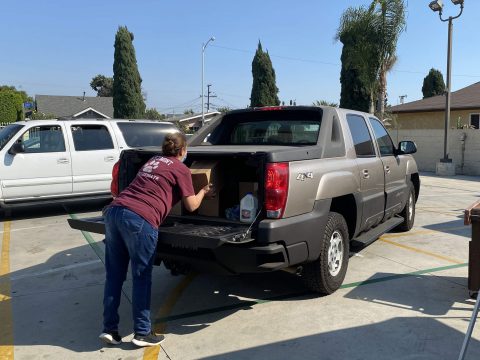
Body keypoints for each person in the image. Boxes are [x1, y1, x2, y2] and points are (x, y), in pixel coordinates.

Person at [99, 132, 213, 347]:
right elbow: (192, 206)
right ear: (182, 151)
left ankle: (109, 329)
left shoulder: (152, 161)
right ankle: (142, 332)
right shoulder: (181, 168)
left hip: (114, 213)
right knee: (141, 276)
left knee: (114, 275)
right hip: (140, 219)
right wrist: (203, 191)